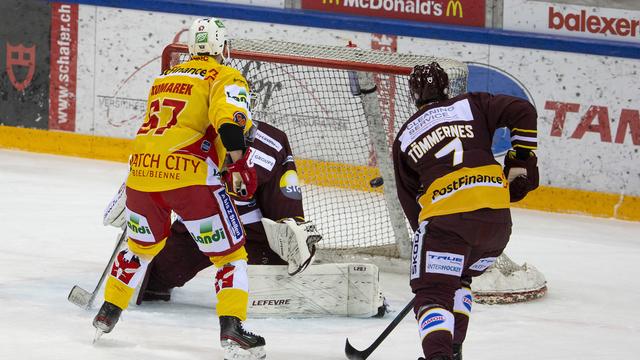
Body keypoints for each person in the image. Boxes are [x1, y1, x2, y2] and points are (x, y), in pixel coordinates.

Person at [93, 17, 266, 359]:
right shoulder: (224, 75)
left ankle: (108, 311)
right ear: (221, 47)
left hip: (141, 177)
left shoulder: (164, 78)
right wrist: (239, 161)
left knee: (140, 247)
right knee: (230, 255)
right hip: (190, 179)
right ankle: (232, 329)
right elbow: (230, 120)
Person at [392, 62, 539, 360]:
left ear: (413, 97)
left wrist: (431, 255)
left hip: (447, 225)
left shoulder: (405, 137)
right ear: (448, 89)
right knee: (461, 282)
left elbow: (412, 205)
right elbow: (524, 110)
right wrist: (521, 161)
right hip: (496, 224)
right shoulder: (472, 104)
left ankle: (440, 355)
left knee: (434, 292)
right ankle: (454, 350)